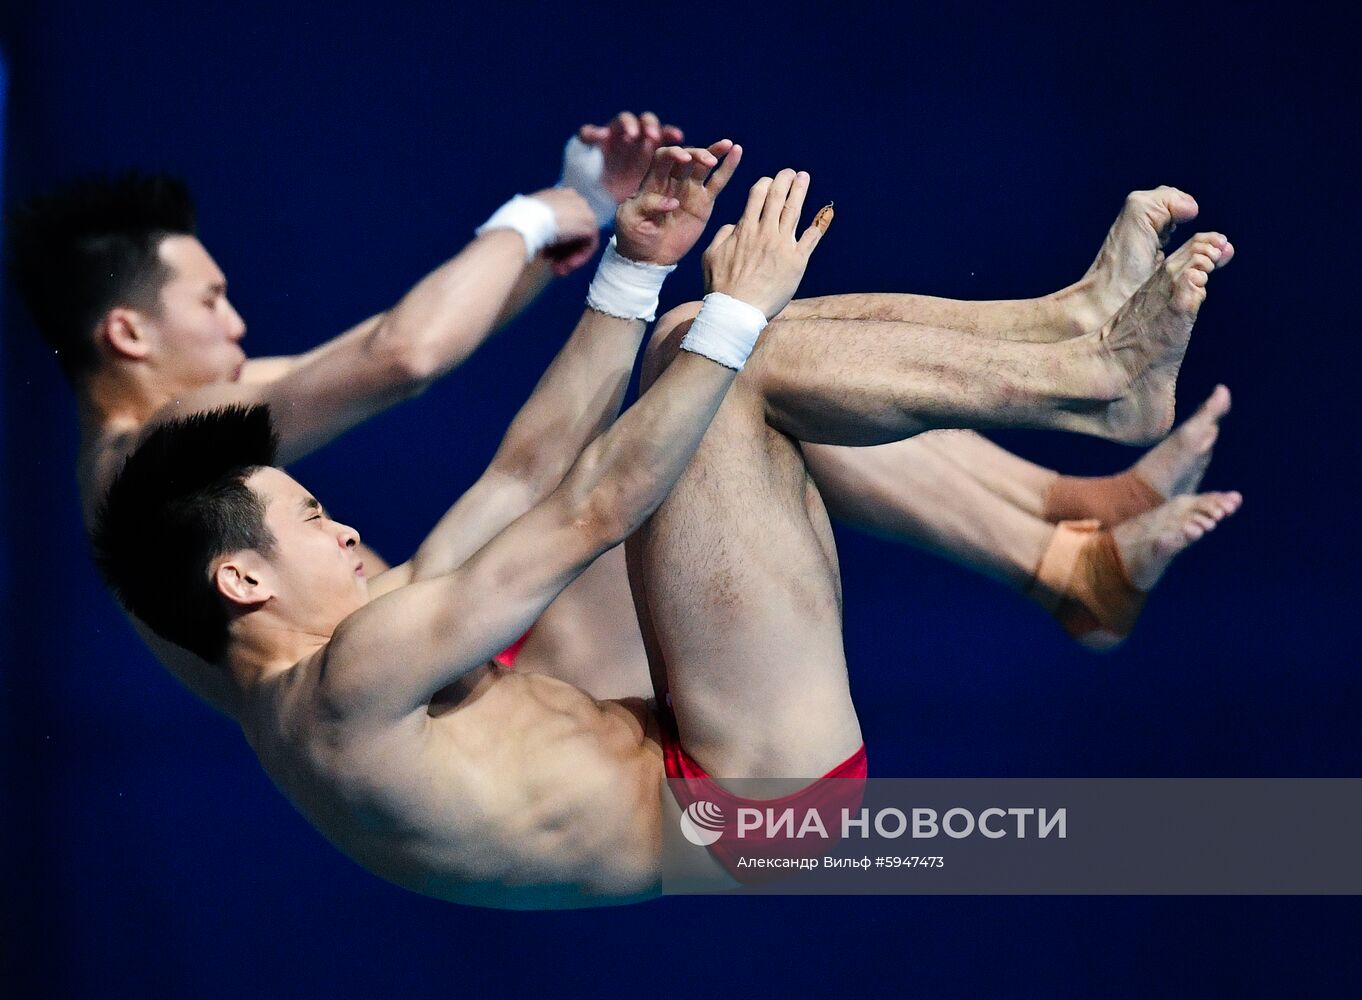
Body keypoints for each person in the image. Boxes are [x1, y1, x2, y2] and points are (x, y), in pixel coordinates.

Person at [92, 145, 1237, 908]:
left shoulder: (332, 672)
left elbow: (521, 475)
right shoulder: (349, 678)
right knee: (726, 360)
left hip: (696, 762)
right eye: (315, 517)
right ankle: (1088, 372)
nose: (347, 533)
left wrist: (632, 271)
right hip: (753, 798)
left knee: (700, 345)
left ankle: (1076, 379)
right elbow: (584, 502)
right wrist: (732, 302)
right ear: (243, 578)